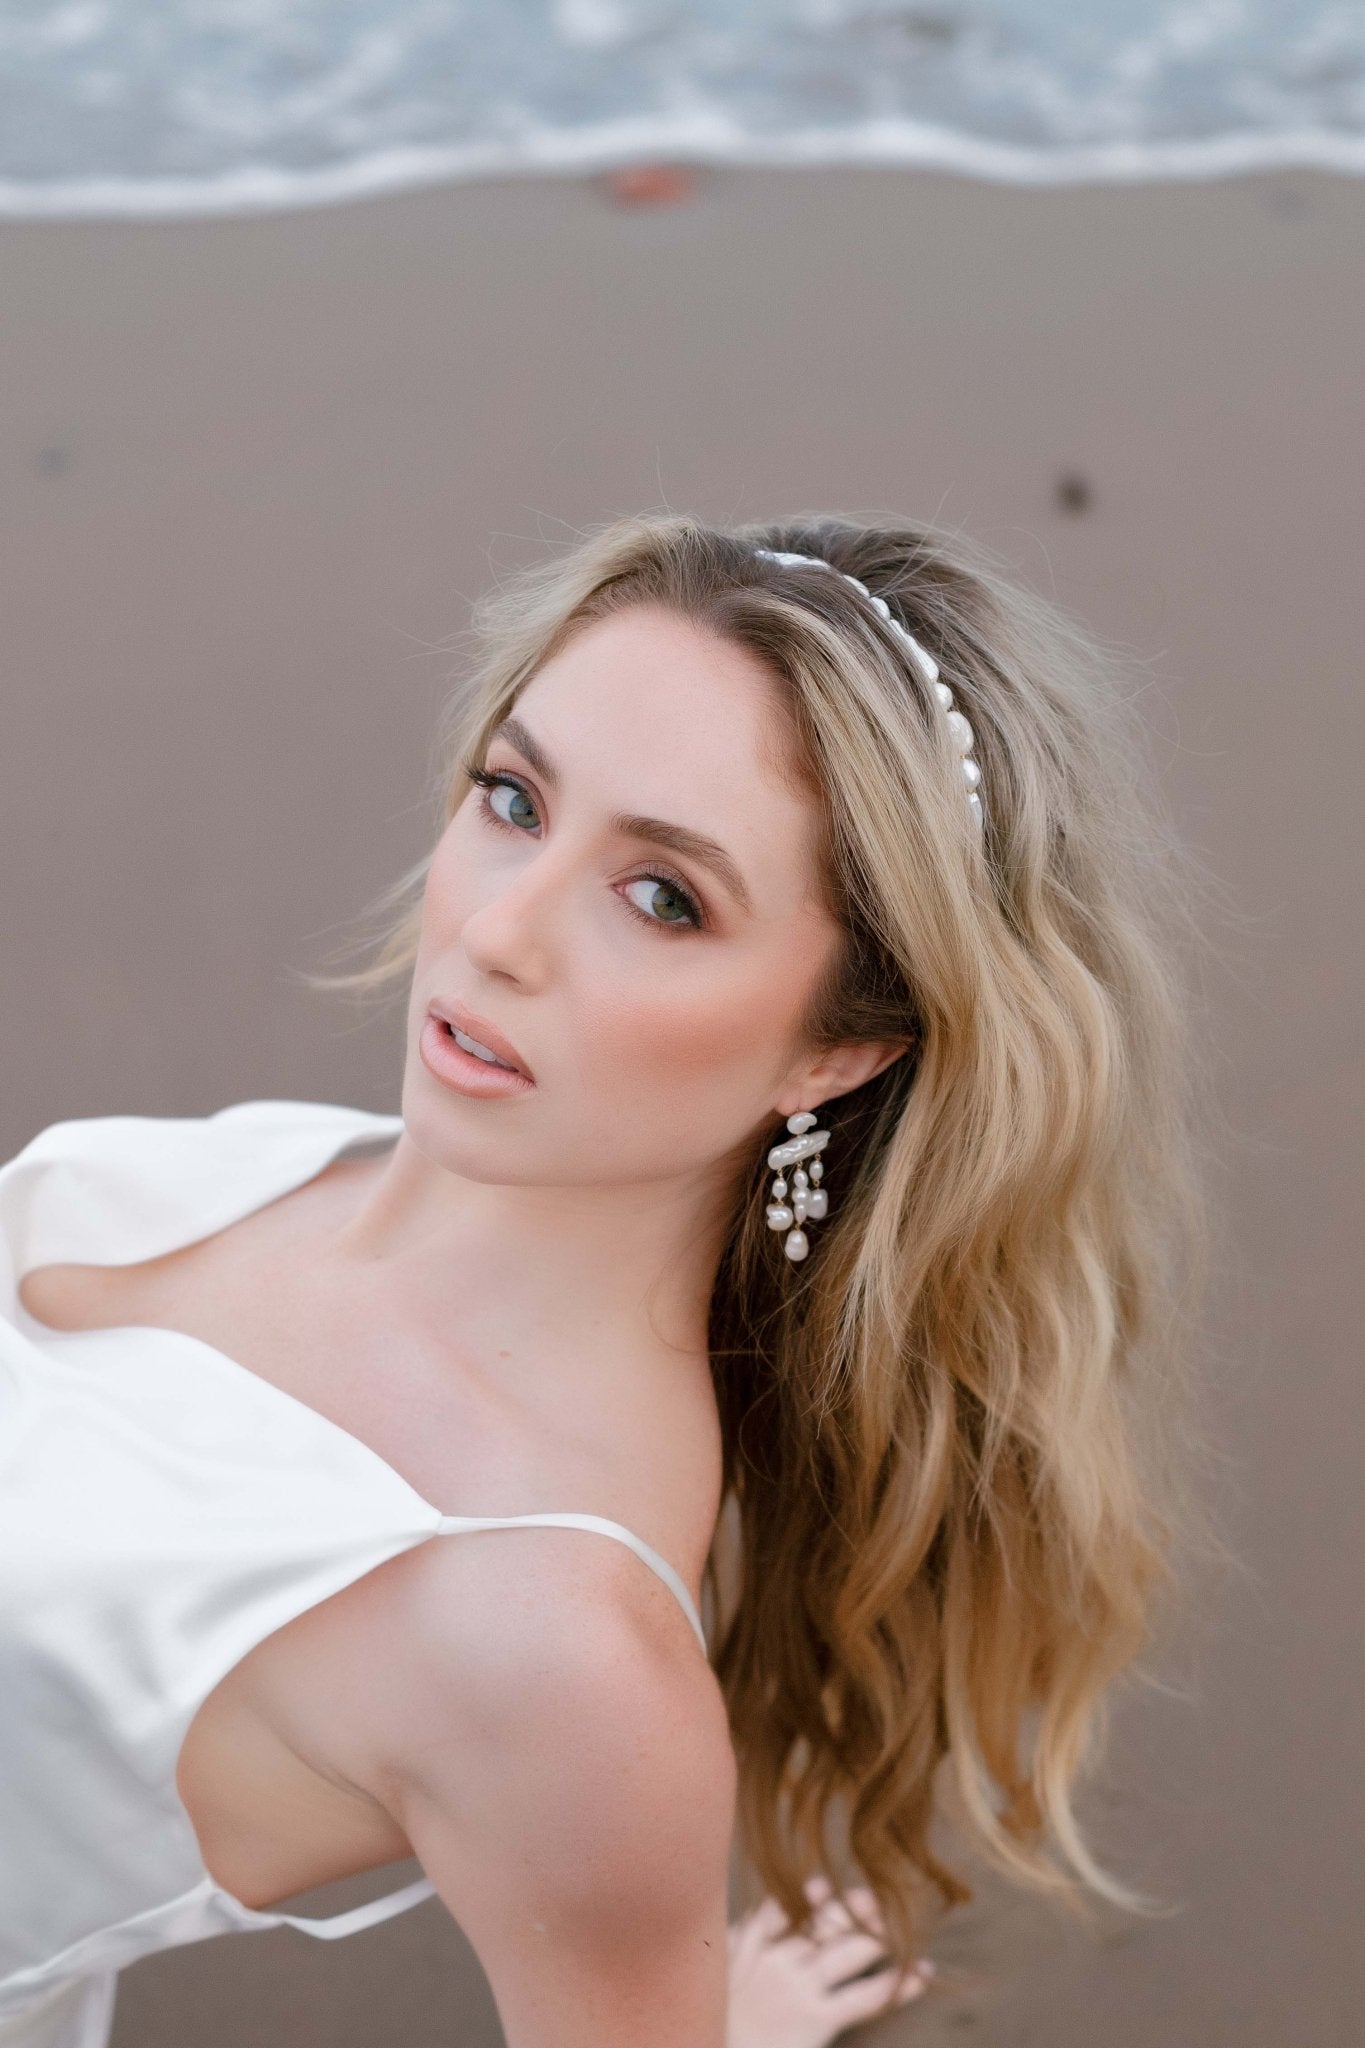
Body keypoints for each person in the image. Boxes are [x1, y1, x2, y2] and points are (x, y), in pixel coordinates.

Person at [0, 513, 1207, 2048]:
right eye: (513, 800)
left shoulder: (556, 1653)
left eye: (662, 899)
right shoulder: (310, 1165)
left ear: (837, 1050)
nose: (493, 931)